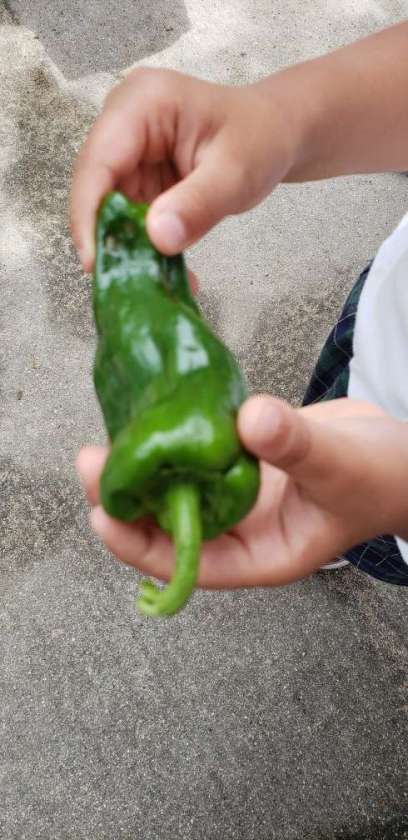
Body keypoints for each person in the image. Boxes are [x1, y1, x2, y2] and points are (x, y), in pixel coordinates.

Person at [71, 21, 408, 590]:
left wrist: (396, 498)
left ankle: (354, 541)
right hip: (389, 314)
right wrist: (278, 118)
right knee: (333, 388)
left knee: (361, 525)